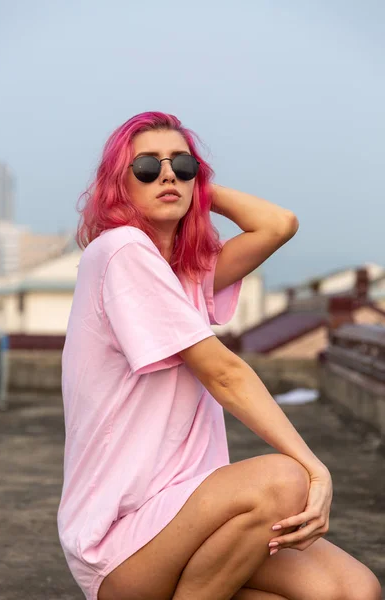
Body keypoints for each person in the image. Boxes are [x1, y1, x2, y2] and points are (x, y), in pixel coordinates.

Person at [57, 111, 381, 600]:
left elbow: (278, 225)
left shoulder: (183, 271)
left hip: (196, 520)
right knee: (282, 480)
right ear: (117, 186)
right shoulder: (121, 250)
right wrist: (315, 468)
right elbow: (224, 373)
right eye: (146, 166)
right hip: (120, 543)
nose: (168, 174)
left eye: (182, 165)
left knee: (354, 590)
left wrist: (198, 188)